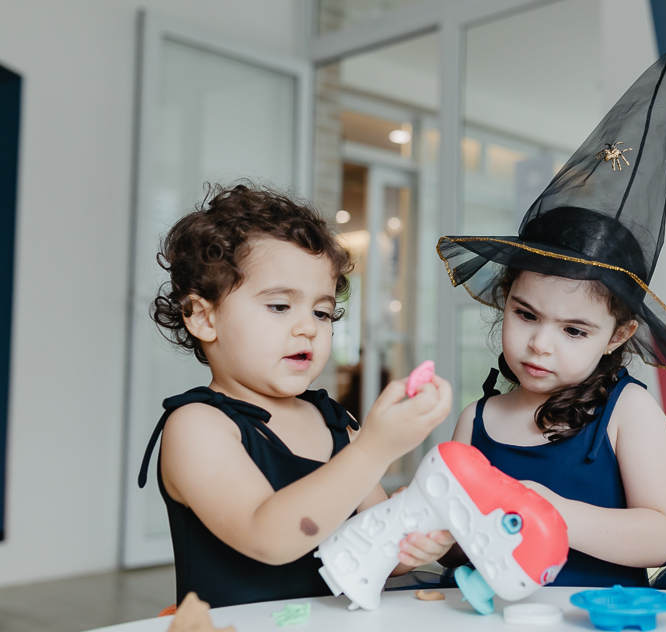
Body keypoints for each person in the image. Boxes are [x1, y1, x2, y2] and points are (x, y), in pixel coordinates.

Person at [436, 53, 666, 587]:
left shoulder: (628, 414)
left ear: (618, 335)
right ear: (505, 298)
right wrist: (437, 534)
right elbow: (458, 542)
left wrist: (550, 511)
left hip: (595, 625)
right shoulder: (475, 419)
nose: (540, 344)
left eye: (574, 330)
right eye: (526, 314)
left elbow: (662, 536)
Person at [138, 184, 453, 608]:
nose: (308, 327)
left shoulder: (334, 422)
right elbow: (267, 538)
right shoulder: (198, 426)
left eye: (321, 312)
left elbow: (380, 550)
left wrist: (415, 537)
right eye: (279, 306)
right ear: (203, 317)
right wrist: (376, 448)